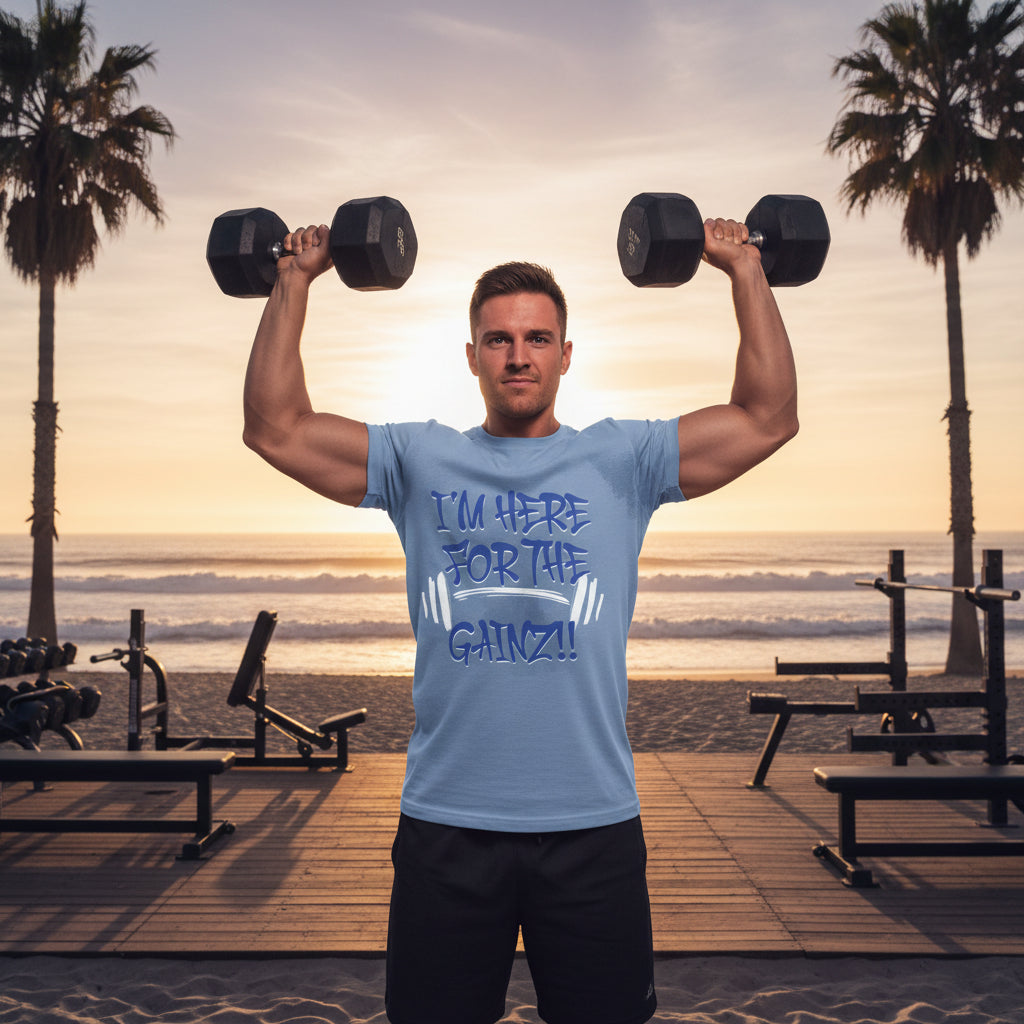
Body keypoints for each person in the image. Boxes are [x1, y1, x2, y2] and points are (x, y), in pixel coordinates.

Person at [242, 214, 798, 1024]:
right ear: (472, 356)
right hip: (447, 825)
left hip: (593, 824)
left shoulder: (625, 459)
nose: (518, 355)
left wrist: (746, 269)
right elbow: (276, 427)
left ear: (566, 355)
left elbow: (766, 417)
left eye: (538, 338)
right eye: (498, 340)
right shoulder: (417, 459)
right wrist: (293, 281)